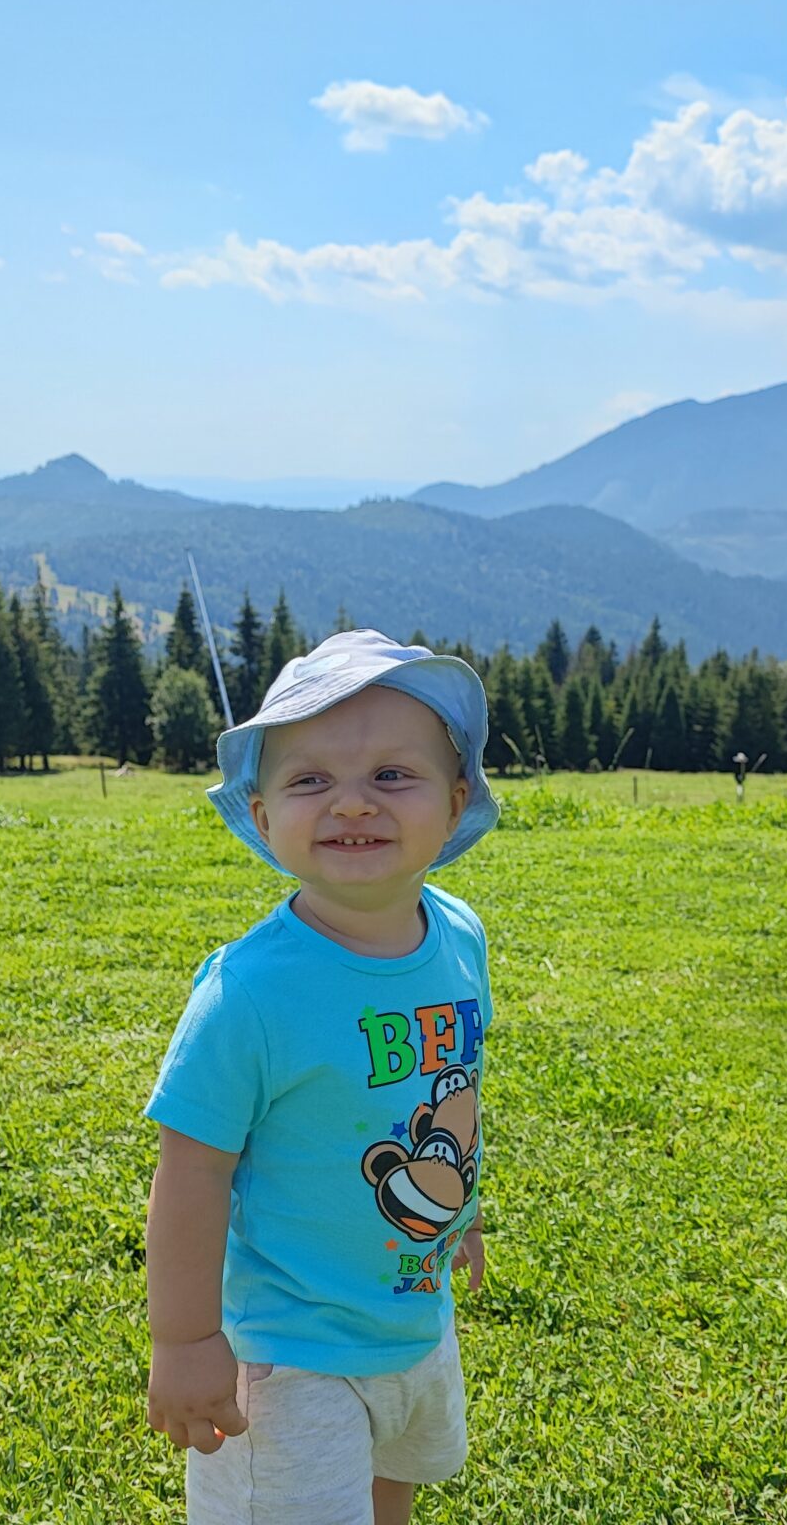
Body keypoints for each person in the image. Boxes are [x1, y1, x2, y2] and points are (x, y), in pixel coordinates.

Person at [144, 630, 501, 1525]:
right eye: (310, 780)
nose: (352, 802)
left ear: (455, 803)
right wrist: (185, 1340)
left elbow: (446, 1088)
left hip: (414, 1320)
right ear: (263, 816)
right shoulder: (250, 993)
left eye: (392, 775)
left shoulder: (459, 938)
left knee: (391, 1491)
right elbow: (192, 1172)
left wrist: (457, 1215)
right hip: (293, 1350)